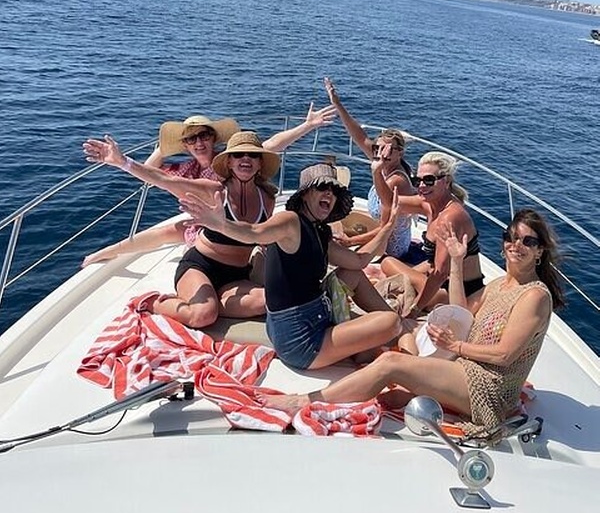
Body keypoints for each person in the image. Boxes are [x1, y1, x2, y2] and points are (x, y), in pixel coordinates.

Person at [261, 208, 563, 437]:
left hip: (488, 391)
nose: (516, 244)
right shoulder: (500, 284)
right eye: (511, 237)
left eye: (527, 241)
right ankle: (401, 384)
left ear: (540, 251)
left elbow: (505, 355)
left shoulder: (534, 296)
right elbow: (461, 313)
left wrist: (456, 346)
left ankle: (305, 401)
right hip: (465, 370)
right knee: (394, 390)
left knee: (391, 363)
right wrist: (456, 263)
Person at [180, 163, 403, 370]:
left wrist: (388, 226)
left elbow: (359, 261)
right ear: (305, 194)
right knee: (390, 322)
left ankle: (389, 333)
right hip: (300, 339)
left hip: (318, 312)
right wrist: (221, 224)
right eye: (322, 187)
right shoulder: (289, 222)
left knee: (353, 273)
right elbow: (254, 233)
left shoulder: (319, 233)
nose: (329, 194)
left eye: (334, 191)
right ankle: (387, 335)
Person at [82, 103, 337, 267]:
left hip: (240, 222)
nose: (198, 143)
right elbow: (154, 176)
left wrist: (307, 125)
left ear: (213, 138)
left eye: (203, 135)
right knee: (166, 232)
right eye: (191, 140)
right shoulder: (186, 170)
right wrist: (160, 149)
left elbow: (271, 145)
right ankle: (106, 252)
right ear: (185, 146)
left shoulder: (232, 158)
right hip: (207, 225)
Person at [83, 131, 281, 328]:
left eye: (253, 154)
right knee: (202, 317)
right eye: (238, 154)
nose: (246, 158)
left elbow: (262, 238)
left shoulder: (267, 199)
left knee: (269, 300)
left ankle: (210, 302)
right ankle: (152, 302)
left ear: (260, 163)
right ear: (229, 162)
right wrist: (123, 162)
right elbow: (165, 180)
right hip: (200, 266)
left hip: (237, 275)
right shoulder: (213, 191)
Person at [378, 151, 484, 319]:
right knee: (387, 264)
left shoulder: (450, 217)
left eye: (429, 180)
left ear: (446, 181)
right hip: (437, 277)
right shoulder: (428, 204)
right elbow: (389, 201)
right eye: (417, 181)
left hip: (458, 290)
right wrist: (377, 171)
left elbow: (440, 274)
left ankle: (427, 300)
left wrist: (415, 309)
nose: (421, 186)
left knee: (390, 273)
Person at [323, 77, 416, 261]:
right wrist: (337, 103)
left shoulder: (397, 181)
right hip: (379, 232)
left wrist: (349, 242)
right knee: (332, 223)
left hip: (389, 248)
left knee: (336, 254)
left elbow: (385, 228)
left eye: (389, 149)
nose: (383, 153)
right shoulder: (381, 160)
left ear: (401, 153)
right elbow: (357, 134)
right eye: (378, 148)